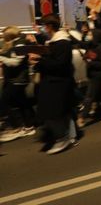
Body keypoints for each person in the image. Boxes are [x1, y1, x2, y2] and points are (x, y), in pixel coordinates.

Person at [29, 14, 78, 154]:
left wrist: (40, 60)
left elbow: (59, 64)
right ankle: (71, 136)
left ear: (49, 26)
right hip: (55, 82)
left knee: (52, 112)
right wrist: (38, 60)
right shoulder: (55, 41)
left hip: (58, 83)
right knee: (63, 111)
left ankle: (62, 138)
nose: (43, 29)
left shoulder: (62, 42)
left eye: (44, 26)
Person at [0, 26, 36, 142]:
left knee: (4, 101)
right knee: (22, 103)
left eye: (4, 35)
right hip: (15, 80)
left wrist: (1, 58)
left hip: (18, 80)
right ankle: (29, 126)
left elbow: (15, 62)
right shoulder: (14, 43)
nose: (3, 37)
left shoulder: (20, 44)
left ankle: (15, 126)